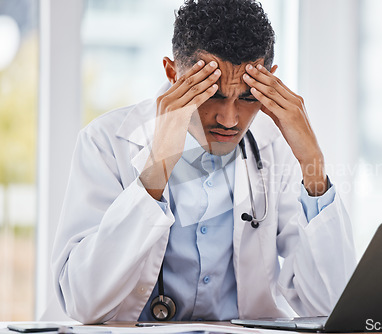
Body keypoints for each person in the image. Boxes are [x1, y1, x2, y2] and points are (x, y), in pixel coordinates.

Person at [52, 0, 356, 325]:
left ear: (271, 81)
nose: (229, 119)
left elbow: (335, 306)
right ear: (172, 73)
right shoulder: (106, 142)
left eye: (249, 97)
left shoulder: (276, 149)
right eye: (212, 93)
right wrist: (156, 171)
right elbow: (81, 301)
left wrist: (313, 163)